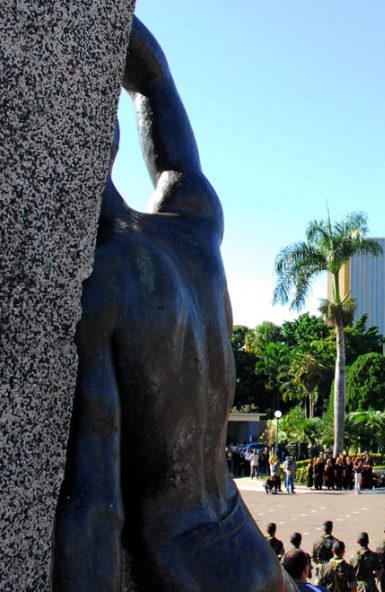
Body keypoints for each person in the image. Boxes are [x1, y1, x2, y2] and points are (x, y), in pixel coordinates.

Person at [52, 16, 294, 591]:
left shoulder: (102, 284)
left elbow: (96, 507)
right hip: (246, 546)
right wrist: (104, 21)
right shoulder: (195, 225)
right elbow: (154, 81)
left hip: (183, 570)